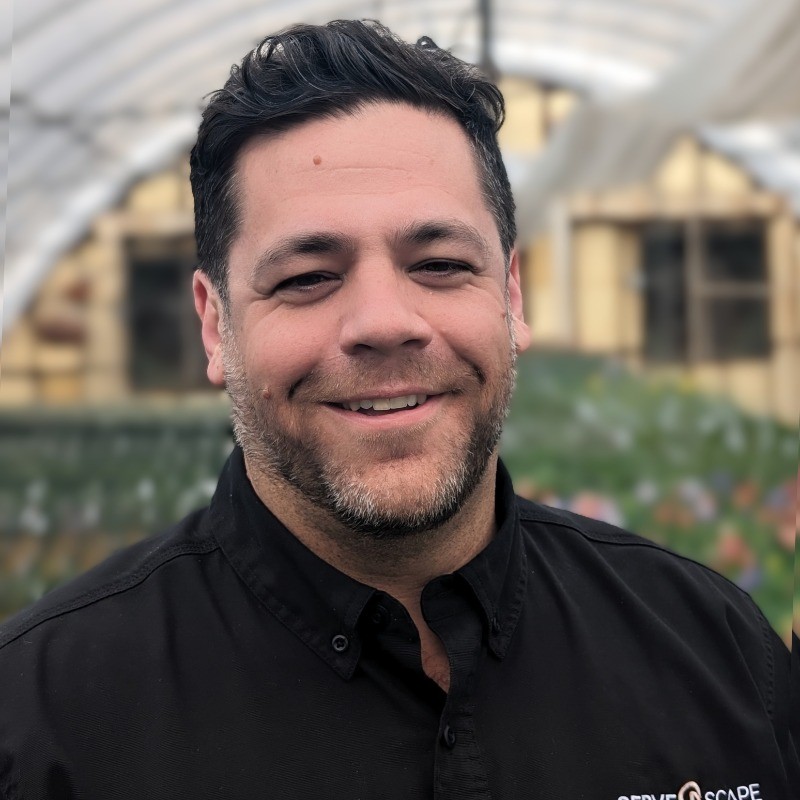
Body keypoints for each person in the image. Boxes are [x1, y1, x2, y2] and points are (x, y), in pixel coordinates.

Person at [0, 19, 796, 800]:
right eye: (307, 277)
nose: (384, 323)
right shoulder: (42, 727)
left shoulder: (717, 651)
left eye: (440, 264)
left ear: (511, 296)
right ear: (216, 325)